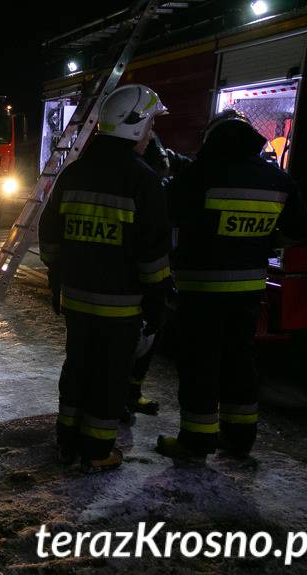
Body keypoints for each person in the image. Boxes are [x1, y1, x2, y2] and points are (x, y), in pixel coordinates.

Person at [157, 110, 307, 461]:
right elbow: (302, 229)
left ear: (213, 138)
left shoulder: (198, 175)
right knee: (239, 362)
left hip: (201, 291)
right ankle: (240, 437)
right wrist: (269, 243)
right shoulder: (277, 179)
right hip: (248, 292)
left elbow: (166, 216)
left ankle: (195, 442)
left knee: (200, 365)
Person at [39, 84, 173, 472]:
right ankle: (97, 452)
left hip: (77, 300)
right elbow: (153, 253)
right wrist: (157, 300)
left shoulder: (74, 173)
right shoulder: (142, 180)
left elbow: (49, 238)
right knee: (110, 376)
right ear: (134, 127)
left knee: (77, 368)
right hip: (122, 305)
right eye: (149, 124)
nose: (151, 133)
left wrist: (57, 280)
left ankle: (67, 440)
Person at [127, 133, 193, 417]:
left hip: (160, 270)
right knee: (130, 340)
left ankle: (131, 393)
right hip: (137, 277)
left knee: (151, 337)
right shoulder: (141, 183)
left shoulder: (161, 181)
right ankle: (117, 397)